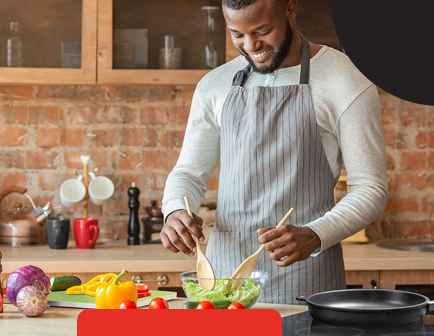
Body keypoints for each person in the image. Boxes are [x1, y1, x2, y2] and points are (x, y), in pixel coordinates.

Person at [161, 0, 388, 304]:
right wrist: (175, 210)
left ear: (290, 8)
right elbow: (188, 172)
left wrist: (315, 234)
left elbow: (371, 188)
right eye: (237, 35)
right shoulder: (214, 86)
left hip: (307, 279)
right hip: (224, 283)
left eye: (262, 30)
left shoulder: (344, 81)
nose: (251, 46)